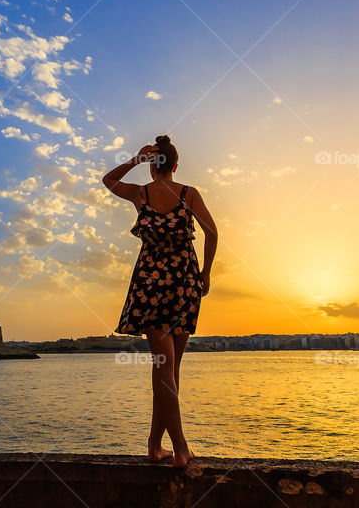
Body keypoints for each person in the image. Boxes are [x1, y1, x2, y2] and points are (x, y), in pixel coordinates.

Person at [102, 135, 218, 468]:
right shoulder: (188, 194)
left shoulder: (142, 194)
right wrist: (206, 274)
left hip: (150, 285)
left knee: (164, 371)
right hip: (184, 283)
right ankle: (165, 446)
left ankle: (169, 447)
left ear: (153, 166)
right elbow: (212, 233)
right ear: (176, 165)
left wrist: (135, 161)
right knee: (169, 371)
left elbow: (109, 180)